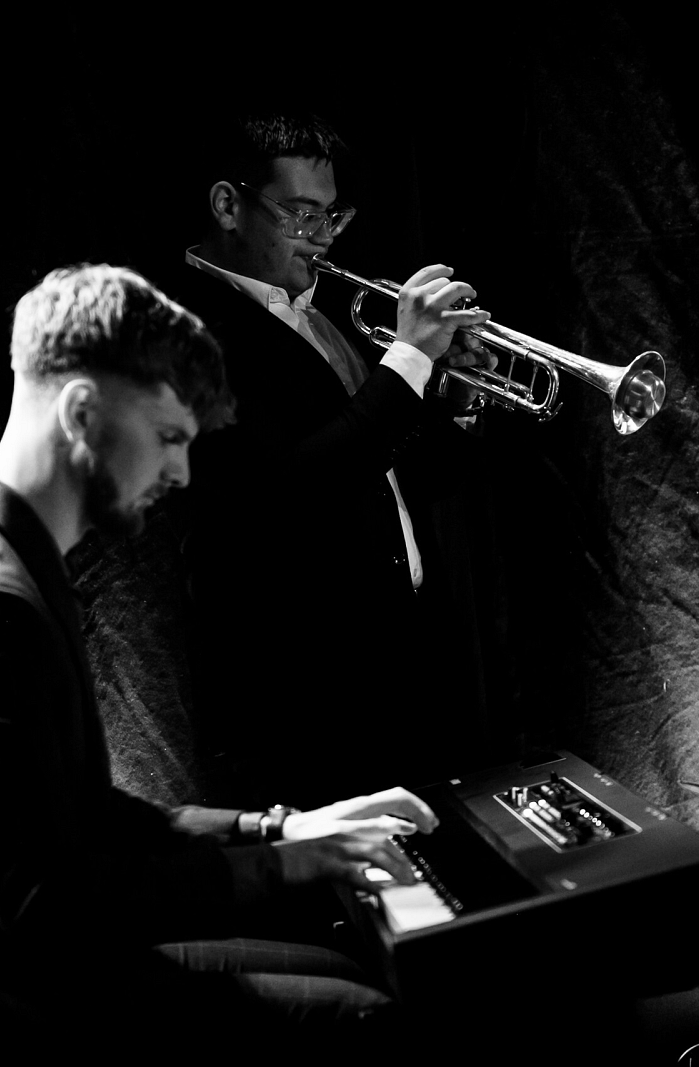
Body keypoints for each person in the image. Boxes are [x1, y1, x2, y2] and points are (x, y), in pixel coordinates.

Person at [0, 264, 457, 1063]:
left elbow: (83, 816)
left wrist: (282, 827)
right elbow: (50, 904)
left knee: (350, 966)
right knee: (370, 1016)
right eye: (168, 438)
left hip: (23, 964)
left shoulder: (5, 556)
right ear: (82, 413)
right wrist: (283, 864)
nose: (182, 475)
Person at [161, 113, 508, 809]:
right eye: (300, 214)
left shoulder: (319, 320)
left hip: (401, 668)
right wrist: (407, 360)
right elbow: (293, 489)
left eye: (332, 217)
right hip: (304, 699)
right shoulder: (188, 333)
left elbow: (396, 478)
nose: (322, 237)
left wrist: (454, 397)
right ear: (228, 205)